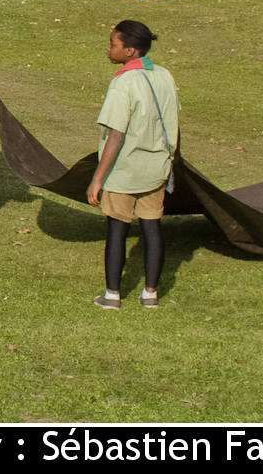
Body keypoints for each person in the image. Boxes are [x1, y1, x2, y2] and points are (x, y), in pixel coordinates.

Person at [86, 19, 181, 309]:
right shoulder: (165, 76)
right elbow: (175, 123)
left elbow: (116, 134)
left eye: (113, 44)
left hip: (124, 171)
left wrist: (97, 178)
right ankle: (150, 293)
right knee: (152, 229)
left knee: (117, 230)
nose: (108, 48)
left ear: (130, 51)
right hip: (155, 169)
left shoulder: (123, 83)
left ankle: (112, 295)